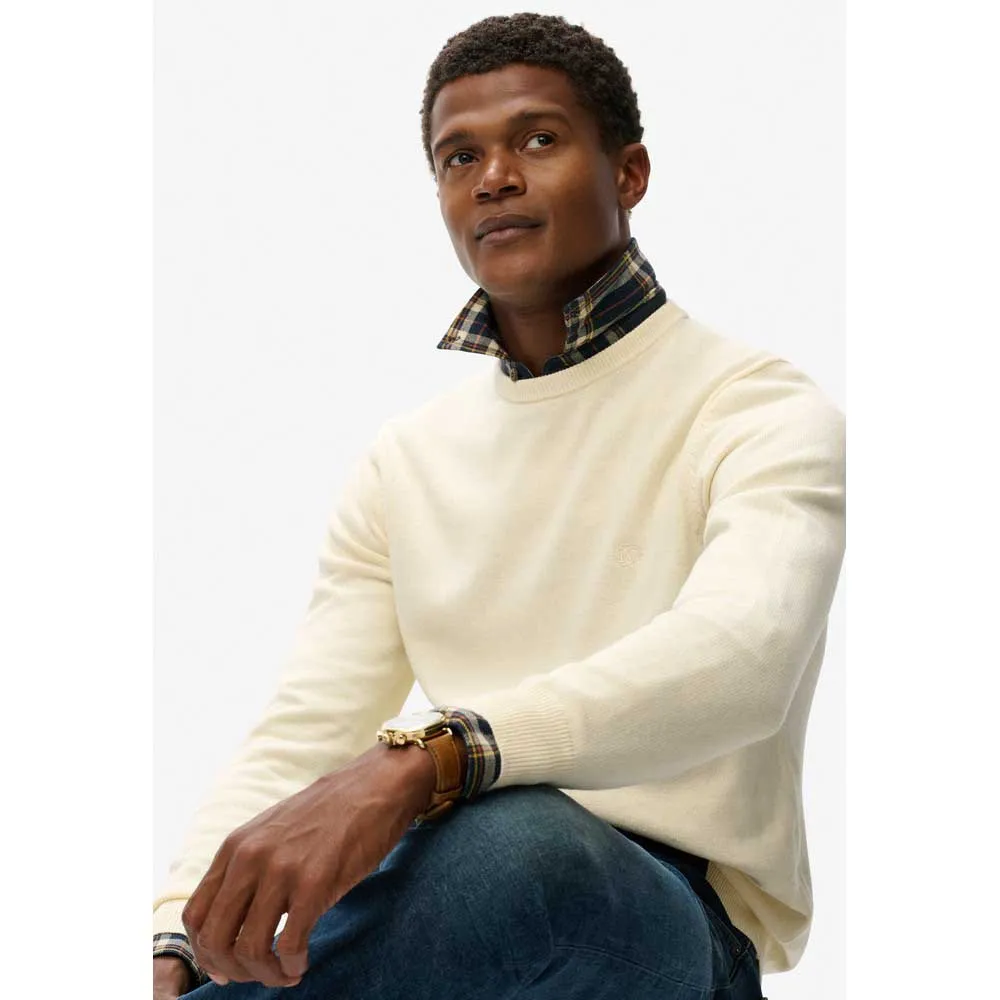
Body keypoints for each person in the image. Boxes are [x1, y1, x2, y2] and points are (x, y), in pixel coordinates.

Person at [153, 12, 844, 1000]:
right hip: (445, 913)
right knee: (418, 866)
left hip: (665, 933)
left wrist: (431, 759)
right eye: (459, 157)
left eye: (538, 139)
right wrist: (178, 933)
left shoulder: (755, 407)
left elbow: (743, 658)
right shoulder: (406, 461)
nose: (493, 179)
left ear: (629, 174)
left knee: (521, 847)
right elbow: (304, 729)